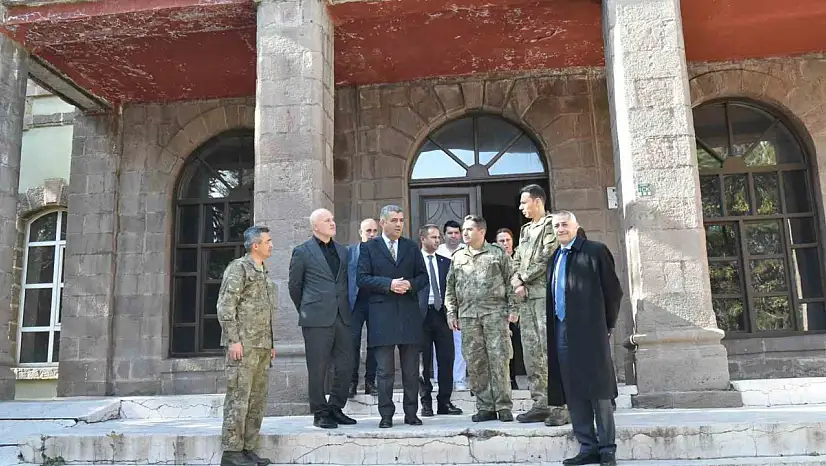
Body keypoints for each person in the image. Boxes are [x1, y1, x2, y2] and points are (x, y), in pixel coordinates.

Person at [547, 211, 623, 466]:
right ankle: (587, 446)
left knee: (598, 390)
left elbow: (613, 291)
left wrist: (607, 324)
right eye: (556, 225)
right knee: (573, 389)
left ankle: (607, 448)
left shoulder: (595, 251)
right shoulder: (555, 257)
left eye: (565, 224)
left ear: (576, 226)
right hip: (562, 330)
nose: (560, 229)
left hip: (591, 331)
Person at [357, 205, 429, 428]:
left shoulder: (410, 247)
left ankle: (411, 413)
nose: (399, 224)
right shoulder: (369, 248)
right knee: (385, 371)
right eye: (394, 220)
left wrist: (410, 284)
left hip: (408, 315)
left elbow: (422, 277)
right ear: (382, 223)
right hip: (382, 316)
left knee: (410, 371)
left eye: (401, 220)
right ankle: (386, 415)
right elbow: (362, 279)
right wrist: (389, 284)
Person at [287, 209, 356, 429]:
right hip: (315, 318)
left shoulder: (342, 251)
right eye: (327, 220)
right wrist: (307, 309)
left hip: (342, 316)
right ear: (315, 226)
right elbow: (294, 286)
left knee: (346, 365)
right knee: (318, 367)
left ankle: (336, 407)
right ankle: (319, 412)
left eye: (333, 219)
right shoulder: (302, 252)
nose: (332, 223)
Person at [445, 215, 517, 423]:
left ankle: (503, 405)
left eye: (469, 229)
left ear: (482, 232)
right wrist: (451, 312)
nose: (464, 233)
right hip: (468, 317)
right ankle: (485, 406)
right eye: (463, 230)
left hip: (495, 315)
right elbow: (450, 287)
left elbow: (511, 281)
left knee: (499, 360)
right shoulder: (458, 257)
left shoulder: (497, 254)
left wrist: (513, 309)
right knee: (476, 362)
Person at [217, 226, 276, 466]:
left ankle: (247, 449)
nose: (271, 245)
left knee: (256, 400)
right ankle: (232, 453)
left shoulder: (264, 273)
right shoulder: (238, 268)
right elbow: (225, 306)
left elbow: (267, 312)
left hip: (261, 348)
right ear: (255, 245)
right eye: (268, 241)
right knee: (238, 398)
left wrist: (271, 343)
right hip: (243, 346)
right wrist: (233, 340)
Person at [511, 184, 569, 425]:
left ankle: (560, 405)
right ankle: (540, 403)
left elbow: (547, 256)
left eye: (524, 203)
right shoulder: (525, 230)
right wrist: (516, 279)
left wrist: (523, 277)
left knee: (550, 351)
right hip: (525, 300)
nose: (521, 207)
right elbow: (516, 257)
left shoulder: (551, 225)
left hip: (544, 297)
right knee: (532, 353)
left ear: (537, 201)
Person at [418, 224, 463, 417]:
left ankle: (444, 402)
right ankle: (425, 402)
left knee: (446, 359)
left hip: (442, 315)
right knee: (422, 362)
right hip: (421, 316)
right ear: (423, 239)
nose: (438, 241)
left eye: (438, 238)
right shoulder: (414, 262)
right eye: (434, 237)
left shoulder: (446, 262)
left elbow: (452, 290)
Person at [347, 218, 379, 397]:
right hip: (355, 303)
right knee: (352, 344)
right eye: (368, 231)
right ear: (361, 233)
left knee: (374, 344)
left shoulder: (383, 253)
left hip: (375, 303)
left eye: (375, 231)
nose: (372, 234)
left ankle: (370, 382)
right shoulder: (349, 253)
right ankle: (352, 383)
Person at [435, 219, 468, 391]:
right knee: (437, 344)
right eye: (450, 233)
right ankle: (436, 380)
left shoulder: (466, 250)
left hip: (460, 304)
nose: (453, 236)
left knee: (460, 342)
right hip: (440, 304)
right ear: (444, 235)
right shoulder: (437, 251)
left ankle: (460, 379)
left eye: (456, 233)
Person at [496, 227, 524, 391]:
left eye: (507, 240)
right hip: (501, 310)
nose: (505, 244)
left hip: (522, 308)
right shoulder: (494, 262)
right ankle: (508, 380)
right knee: (505, 348)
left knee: (520, 345)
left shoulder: (520, 259)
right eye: (501, 241)